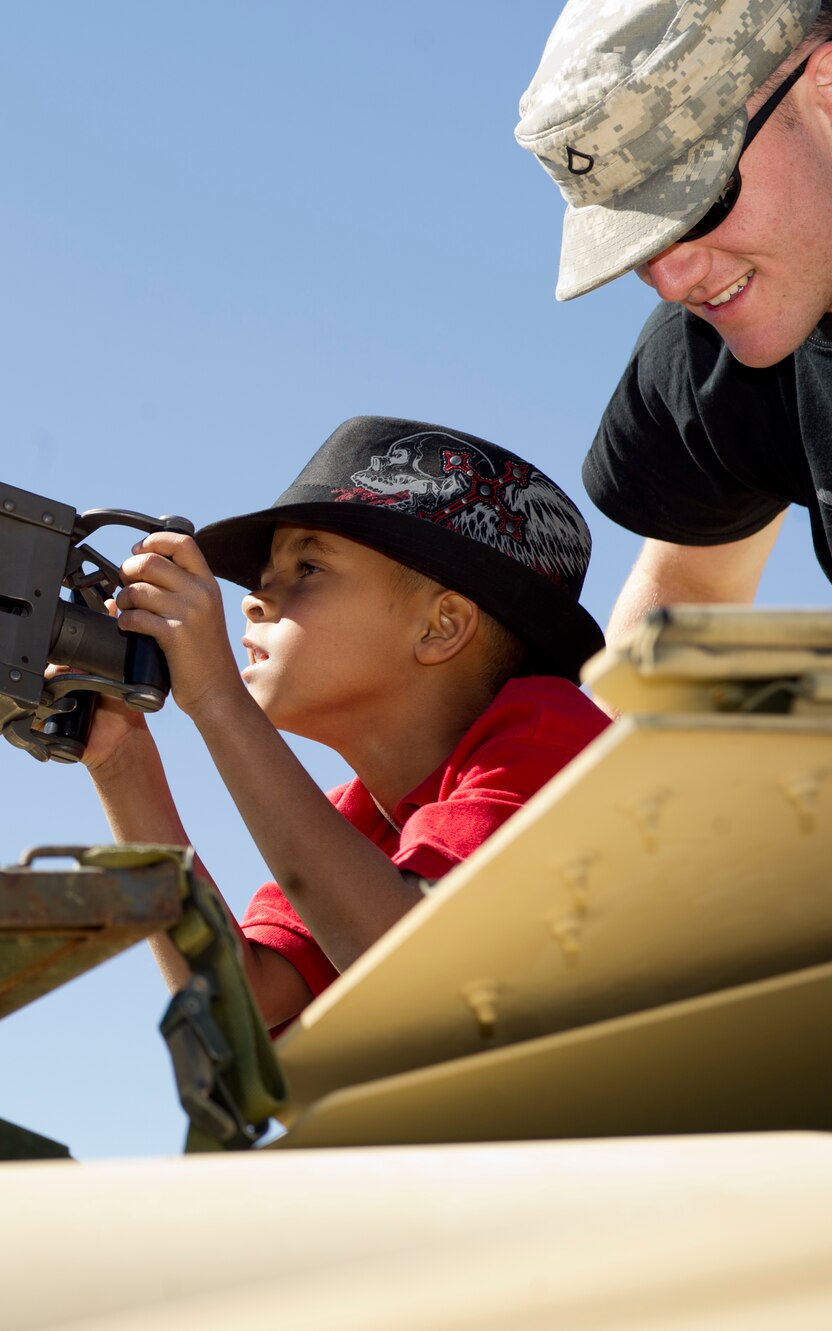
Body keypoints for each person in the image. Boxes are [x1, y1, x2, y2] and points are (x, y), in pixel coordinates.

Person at [82, 417, 609, 1030]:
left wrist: (217, 698)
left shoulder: (556, 743)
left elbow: (407, 968)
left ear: (441, 627)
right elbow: (237, 1016)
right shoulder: (359, 826)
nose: (253, 599)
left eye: (309, 568)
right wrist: (121, 761)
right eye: (265, 577)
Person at [515, 0, 832, 647]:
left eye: (697, 204)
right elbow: (692, 594)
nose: (669, 279)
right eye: (636, 241)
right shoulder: (712, 358)